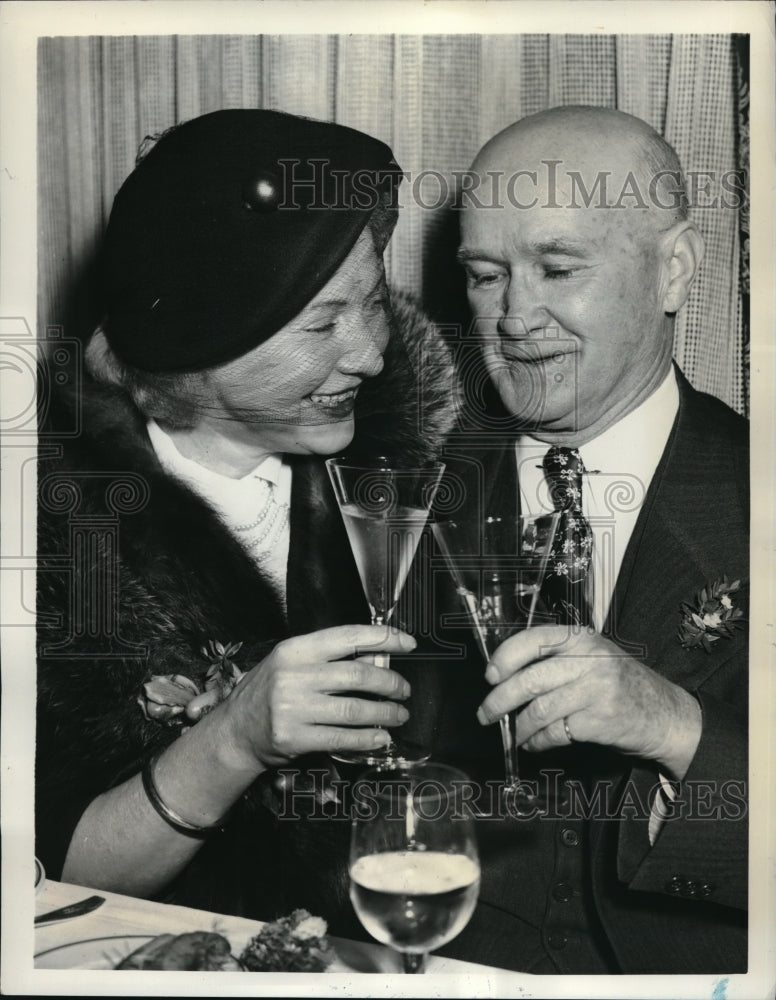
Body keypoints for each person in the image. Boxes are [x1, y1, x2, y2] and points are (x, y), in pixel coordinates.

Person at [35, 109, 456, 928]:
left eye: (370, 303)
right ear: (197, 349)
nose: (370, 353)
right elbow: (49, 869)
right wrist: (233, 740)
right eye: (323, 325)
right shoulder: (62, 541)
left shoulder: (416, 475)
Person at [434, 105, 748, 974]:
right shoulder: (393, 491)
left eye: (558, 267)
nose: (512, 317)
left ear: (674, 271)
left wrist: (678, 727)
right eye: (485, 276)